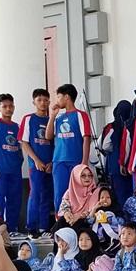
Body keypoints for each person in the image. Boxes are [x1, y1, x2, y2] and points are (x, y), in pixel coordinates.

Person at [46, 83, 91, 211]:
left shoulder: (80, 115)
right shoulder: (58, 117)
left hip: (76, 161)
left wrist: (84, 162)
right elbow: (48, 136)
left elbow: (86, 138)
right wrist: (52, 116)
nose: (57, 100)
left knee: (77, 193)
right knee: (59, 193)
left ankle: (77, 221)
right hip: (59, 160)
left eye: (59, 97)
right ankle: (60, 221)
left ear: (66, 97)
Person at [19, 89, 55, 239]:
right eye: (39, 100)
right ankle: (31, 227)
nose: (43, 103)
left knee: (48, 195)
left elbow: (56, 143)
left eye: (46, 100)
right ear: (34, 102)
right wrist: (37, 161)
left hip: (51, 165)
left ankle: (44, 226)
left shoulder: (52, 120)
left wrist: (52, 162)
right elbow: (24, 143)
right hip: (36, 166)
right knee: (35, 194)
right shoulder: (28, 119)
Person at [0, 94, 23, 233]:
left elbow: (21, 146)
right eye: (4, 106)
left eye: (10, 106)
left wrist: (20, 161)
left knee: (15, 200)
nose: (8, 109)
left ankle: (12, 229)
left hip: (15, 170)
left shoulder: (17, 126)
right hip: (0, 170)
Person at [102, 99, 133, 205]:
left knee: (118, 196)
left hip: (115, 166)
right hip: (132, 166)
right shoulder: (133, 125)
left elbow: (105, 146)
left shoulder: (111, 127)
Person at [55, 164, 100, 231]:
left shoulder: (95, 192)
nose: (87, 178)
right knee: (62, 221)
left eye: (90, 175)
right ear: (76, 177)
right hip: (71, 219)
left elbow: (92, 210)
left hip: (87, 221)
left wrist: (78, 216)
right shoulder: (70, 191)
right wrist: (67, 214)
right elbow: (64, 206)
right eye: (83, 176)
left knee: (79, 223)